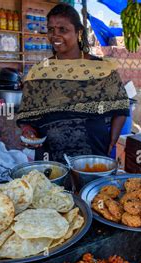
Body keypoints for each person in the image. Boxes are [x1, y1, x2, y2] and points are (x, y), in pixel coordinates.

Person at [16, 4, 129, 162]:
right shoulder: (39, 72)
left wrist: (112, 140)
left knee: (92, 187)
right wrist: (28, 132)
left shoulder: (102, 69)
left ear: (79, 32)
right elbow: (26, 117)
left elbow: (121, 108)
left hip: (93, 155)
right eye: (51, 29)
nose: (55, 35)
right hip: (51, 158)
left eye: (63, 29)